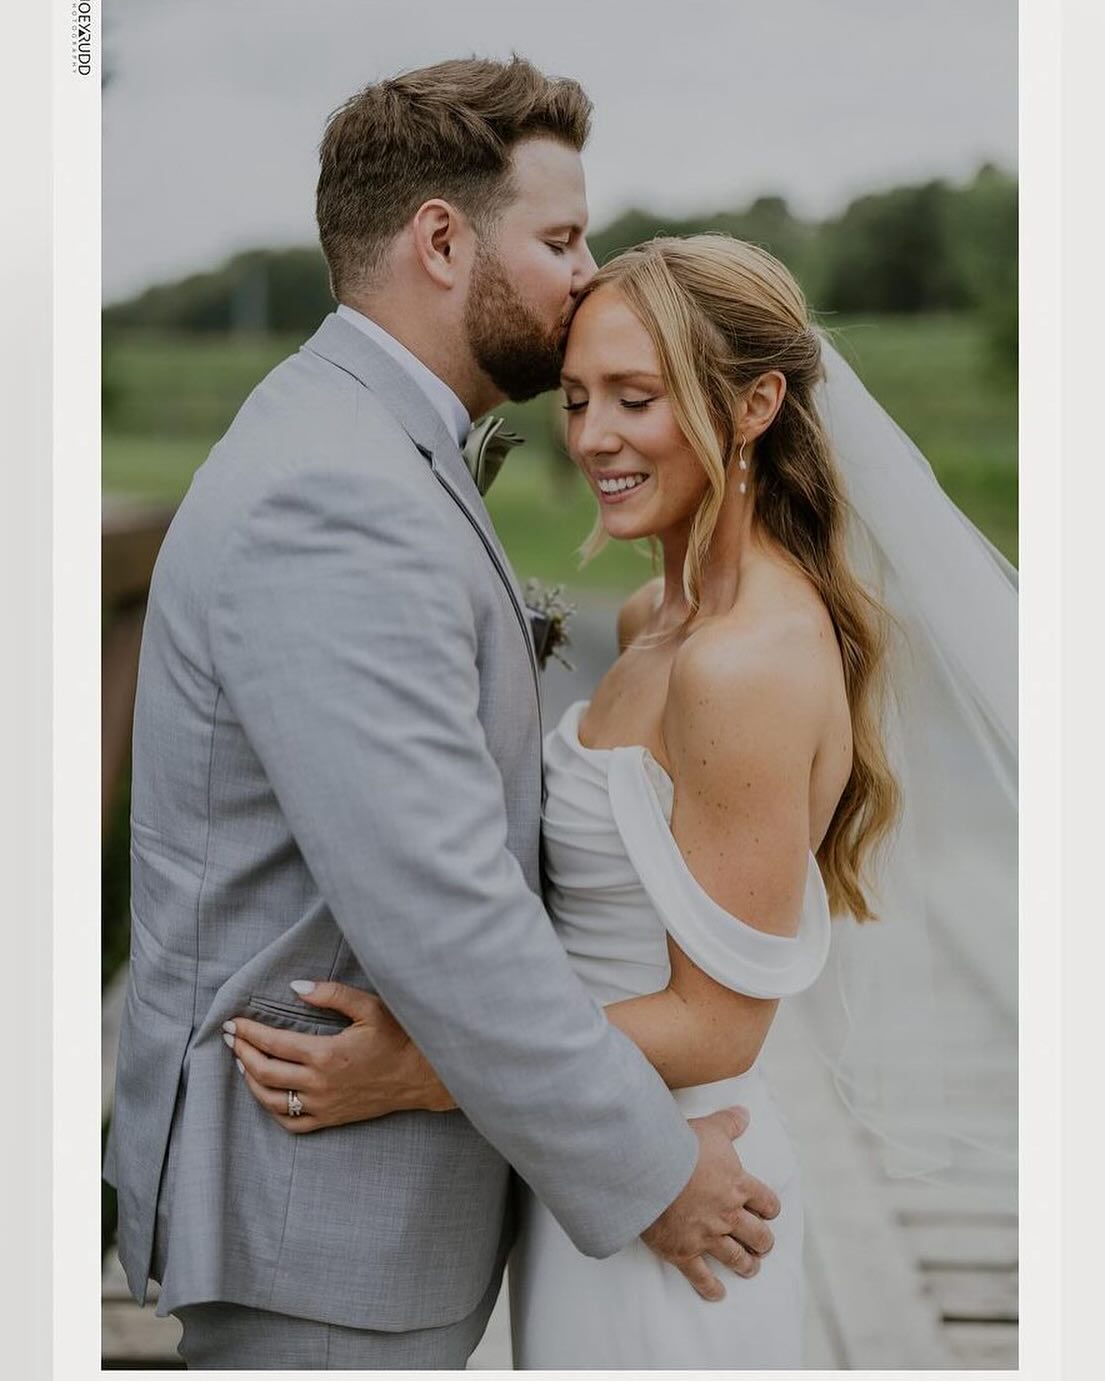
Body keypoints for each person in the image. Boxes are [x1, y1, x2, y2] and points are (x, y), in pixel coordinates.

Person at [227, 232, 1018, 1368]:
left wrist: (433, 1067)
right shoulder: (661, 621)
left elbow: (717, 1021)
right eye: (582, 396)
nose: (594, 437)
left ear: (754, 407)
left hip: (685, 1197)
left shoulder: (741, 664)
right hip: (595, 1172)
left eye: (636, 399)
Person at [103, 61, 786, 1372]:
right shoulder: (336, 496)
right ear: (438, 239)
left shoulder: (358, 437)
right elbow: (441, 906)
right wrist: (654, 1173)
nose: (587, 276)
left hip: (359, 1189)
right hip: (318, 1209)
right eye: (560, 238)